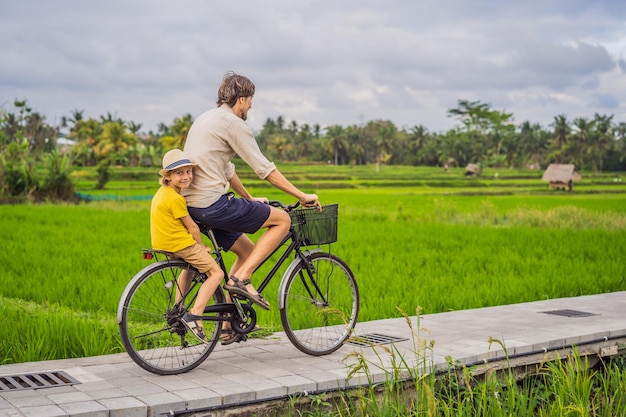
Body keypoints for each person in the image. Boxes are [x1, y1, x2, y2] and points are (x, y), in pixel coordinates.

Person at [183, 71, 320, 311]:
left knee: (246, 250)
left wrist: (248, 198)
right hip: (213, 205)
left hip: (193, 207)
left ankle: (227, 326)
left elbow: (227, 169)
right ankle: (242, 278)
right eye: (251, 100)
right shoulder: (233, 123)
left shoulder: (207, 118)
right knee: (283, 221)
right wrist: (302, 196)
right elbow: (265, 169)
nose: (251, 106)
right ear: (243, 98)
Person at [150, 149, 239, 345]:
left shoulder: (162, 194)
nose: (186, 176)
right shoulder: (176, 199)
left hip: (163, 244)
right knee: (216, 274)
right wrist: (202, 247)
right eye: (179, 173)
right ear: (168, 177)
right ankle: (195, 315)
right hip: (180, 244)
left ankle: (178, 307)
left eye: (188, 171)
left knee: (189, 270)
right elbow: (192, 227)